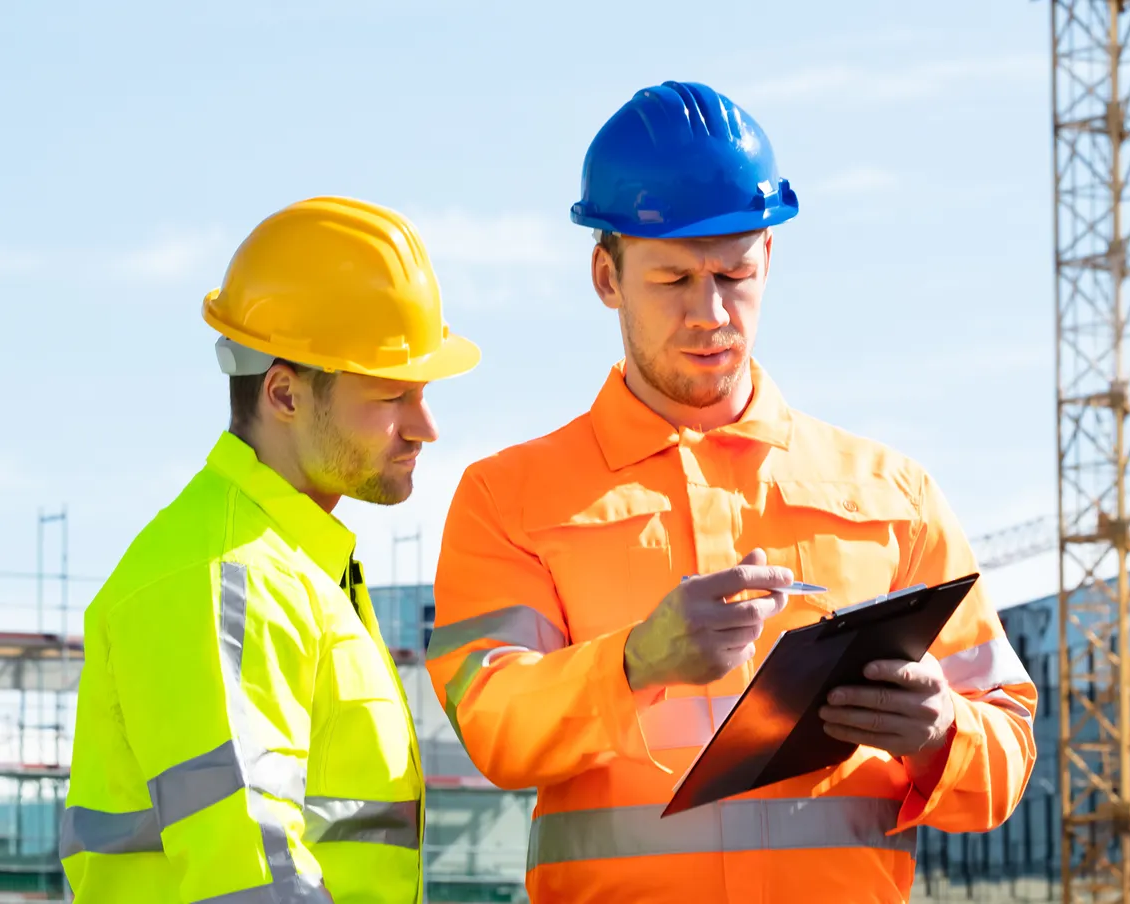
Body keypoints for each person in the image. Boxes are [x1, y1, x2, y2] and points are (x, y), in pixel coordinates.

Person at [425, 81, 1037, 903]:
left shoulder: (894, 496)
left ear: (769, 260)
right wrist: (637, 663)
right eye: (673, 278)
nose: (710, 313)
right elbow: (493, 727)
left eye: (733, 274)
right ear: (606, 274)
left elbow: (1005, 755)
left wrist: (941, 733)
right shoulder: (512, 499)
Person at [60, 196, 481, 903]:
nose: (425, 426)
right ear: (284, 394)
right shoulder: (229, 575)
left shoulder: (293, 566)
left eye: (424, 392)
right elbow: (251, 875)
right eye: (391, 396)